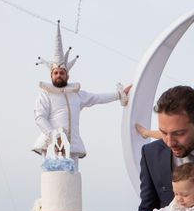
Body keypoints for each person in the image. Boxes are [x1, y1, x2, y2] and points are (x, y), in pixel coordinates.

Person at [32, 21, 130, 166]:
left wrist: (118, 94)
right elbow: (40, 118)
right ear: (51, 76)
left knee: (71, 181)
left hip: (72, 145)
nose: (59, 75)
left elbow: (97, 98)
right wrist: (53, 135)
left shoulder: (76, 94)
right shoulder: (45, 95)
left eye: (62, 73)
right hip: (52, 144)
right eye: (56, 73)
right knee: (53, 180)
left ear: (67, 75)